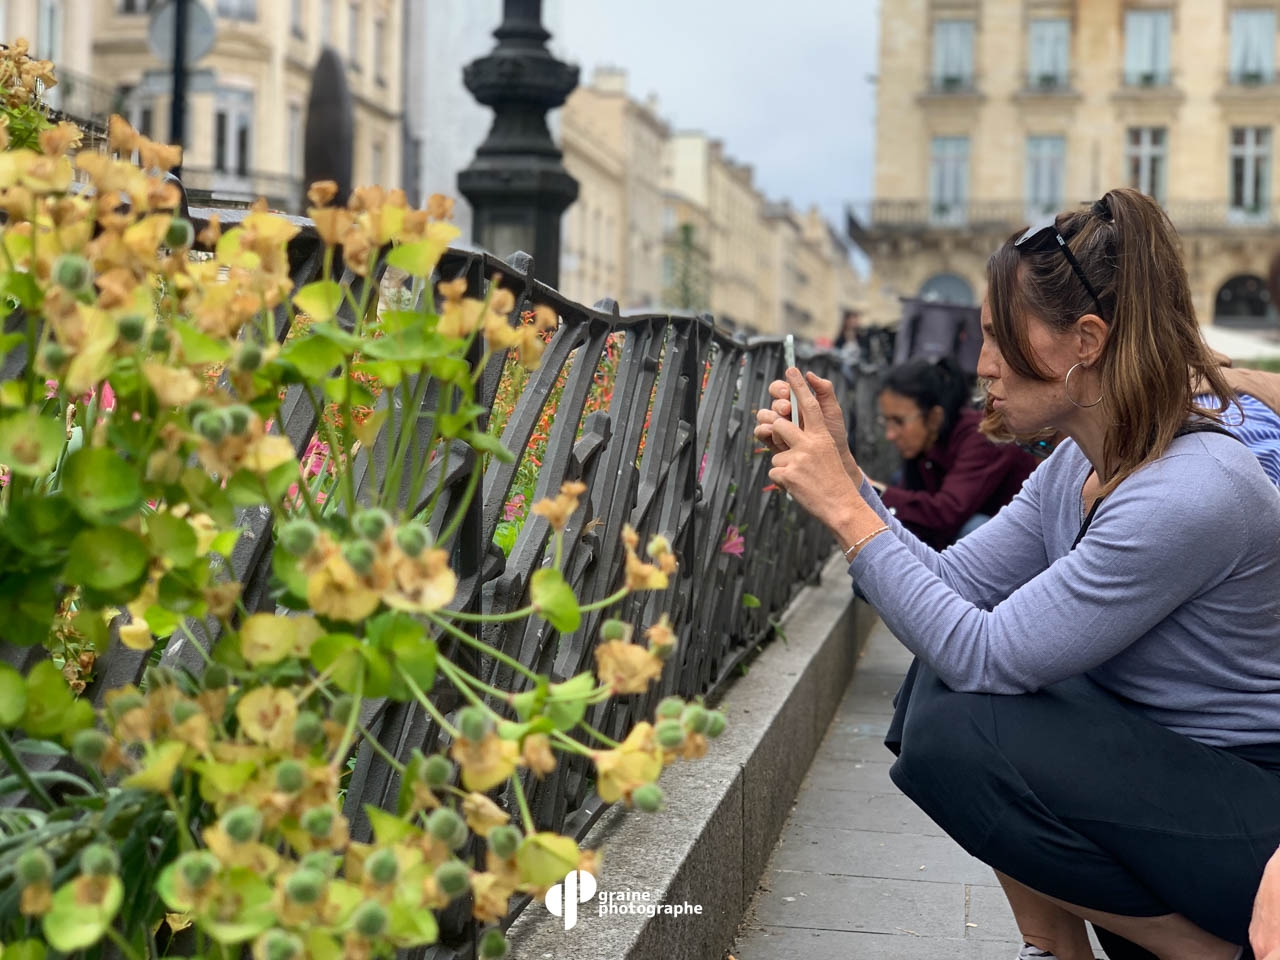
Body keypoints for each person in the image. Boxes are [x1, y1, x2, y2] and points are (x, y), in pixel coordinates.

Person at [753, 187, 1280, 960]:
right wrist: (851, 479)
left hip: (1245, 817)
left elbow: (984, 652)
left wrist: (844, 510)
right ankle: (1053, 944)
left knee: (959, 720)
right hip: (1161, 779)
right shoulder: (1080, 461)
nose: (983, 366)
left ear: (1087, 342)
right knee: (933, 684)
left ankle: (1192, 949)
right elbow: (949, 584)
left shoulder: (1191, 488)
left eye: (1000, 337)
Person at [870, 357, 1038, 549]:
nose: (890, 434)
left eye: (899, 421)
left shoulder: (981, 436)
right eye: (886, 421)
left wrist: (876, 491)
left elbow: (948, 513)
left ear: (934, 417)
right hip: (955, 534)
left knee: (975, 528)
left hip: (1014, 551)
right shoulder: (925, 441)